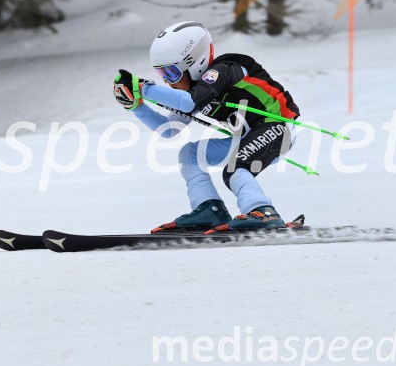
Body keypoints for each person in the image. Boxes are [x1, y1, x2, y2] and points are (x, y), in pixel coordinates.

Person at [113, 21, 301, 234]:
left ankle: (263, 212)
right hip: (249, 137)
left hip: (279, 128)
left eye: (171, 73)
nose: (168, 82)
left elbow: (189, 103)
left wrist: (143, 88)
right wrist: (137, 107)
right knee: (190, 154)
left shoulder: (225, 70)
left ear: (194, 62)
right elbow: (169, 129)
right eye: (162, 75)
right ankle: (209, 210)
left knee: (235, 168)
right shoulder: (195, 92)